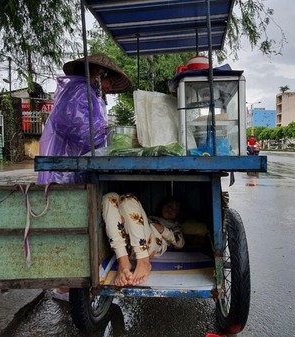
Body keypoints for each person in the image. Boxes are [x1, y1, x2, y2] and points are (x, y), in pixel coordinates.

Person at [37, 53, 132, 185]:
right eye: (109, 82)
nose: (110, 88)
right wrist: (109, 134)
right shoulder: (80, 92)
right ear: (97, 73)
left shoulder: (88, 93)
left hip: (74, 164)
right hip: (65, 170)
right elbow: (82, 131)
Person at [102, 192, 185, 286]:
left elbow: (180, 243)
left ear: (179, 213)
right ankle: (123, 261)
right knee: (109, 197)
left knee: (128, 199)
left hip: (148, 246)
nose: (170, 209)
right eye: (168, 205)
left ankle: (143, 261)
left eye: (175, 209)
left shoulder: (175, 225)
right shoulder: (151, 217)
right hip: (125, 246)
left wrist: (162, 229)